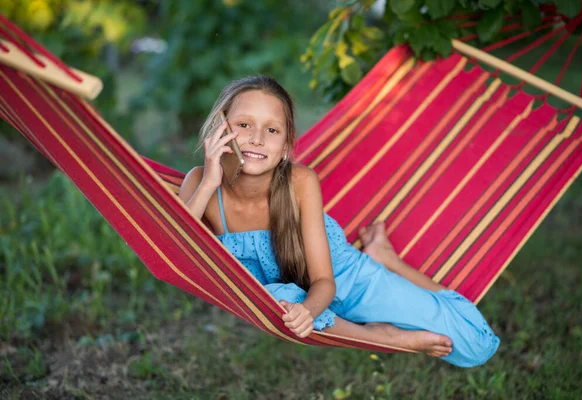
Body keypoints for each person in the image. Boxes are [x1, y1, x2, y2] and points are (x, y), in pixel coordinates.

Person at [178, 75, 500, 368]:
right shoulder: (199, 185)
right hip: (284, 299)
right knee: (280, 299)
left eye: (272, 129)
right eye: (244, 125)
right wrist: (209, 183)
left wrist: (310, 311)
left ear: (287, 145)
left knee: (475, 345)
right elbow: (174, 248)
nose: (257, 139)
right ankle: (384, 338)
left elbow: (325, 282)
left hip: (346, 278)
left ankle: (386, 260)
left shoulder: (300, 182)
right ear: (221, 127)